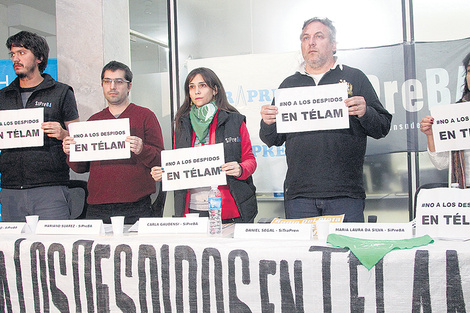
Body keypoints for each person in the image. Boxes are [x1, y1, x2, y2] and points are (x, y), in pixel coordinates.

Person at [259, 17, 392, 222]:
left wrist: (366, 112)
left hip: (345, 193)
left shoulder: (355, 78)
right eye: (305, 38)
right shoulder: (289, 84)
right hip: (300, 195)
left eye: (318, 36)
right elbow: (271, 139)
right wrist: (267, 122)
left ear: (333, 45)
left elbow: (382, 127)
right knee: (302, 255)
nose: (311, 42)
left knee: (346, 254)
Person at [151, 67, 257, 223]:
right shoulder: (182, 123)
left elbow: (250, 160)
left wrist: (240, 169)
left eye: (202, 85)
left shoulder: (234, 121)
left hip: (229, 207)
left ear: (214, 90)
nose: (197, 91)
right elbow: (179, 162)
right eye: (192, 87)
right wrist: (164, 174)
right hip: (192, 209)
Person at [63, 61, 164, 224]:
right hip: (97, 207)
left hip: (136, 206)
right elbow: (80, 168)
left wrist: (142, 149)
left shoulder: (145, 116)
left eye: (118, 82)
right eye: (107, 81)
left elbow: (161, 159)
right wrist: (70, 151)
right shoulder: (93, 121)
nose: (112, 86)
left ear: (129, 86)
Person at [0, 31, 79, 222]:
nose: (16, 58)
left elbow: (79, 139)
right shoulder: (3, 96)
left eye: (22, 52)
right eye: (12, 54)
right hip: (11, 189)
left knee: (54, 247)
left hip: (50, 189)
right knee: (14, 250)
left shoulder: (61, 92)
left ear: (39, 58)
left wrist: (62, 134)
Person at [420, 52, 470, 187]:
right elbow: (441, 163)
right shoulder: (455, 113)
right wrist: (431, 135)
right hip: (463, 193)